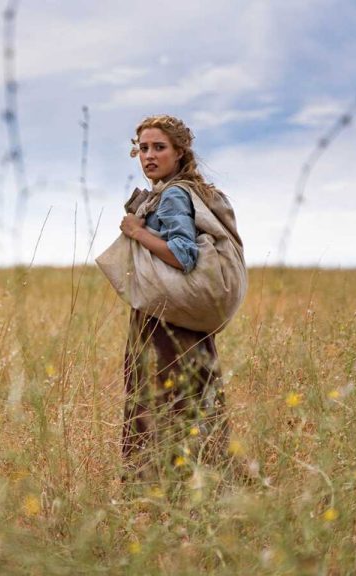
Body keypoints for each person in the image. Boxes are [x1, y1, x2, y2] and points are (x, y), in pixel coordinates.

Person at [118, 115, 231, 485]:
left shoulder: (173, 195)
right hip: (184, 320)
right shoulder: (185, 191)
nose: (149, 156)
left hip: (165, 324)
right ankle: (203, 490)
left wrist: (136, 230)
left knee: (160, 406)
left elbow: (183, 255)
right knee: (194, 404)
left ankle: (159, 494)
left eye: (159, 147)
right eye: (144, 148)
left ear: (180, 152)